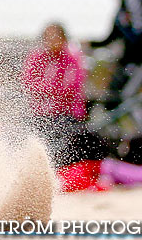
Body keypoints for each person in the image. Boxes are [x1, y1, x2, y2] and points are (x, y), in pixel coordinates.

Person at [22, 22, 97, 167]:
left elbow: (71, 87)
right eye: (48, 38)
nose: (52, 41)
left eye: (56, 37)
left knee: (60, 143)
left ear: (64, 39)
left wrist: (46, 91)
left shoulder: (72, 58)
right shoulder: (37, 57)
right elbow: (28, 82)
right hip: (40, 113)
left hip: (66, 114)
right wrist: (50, 90)